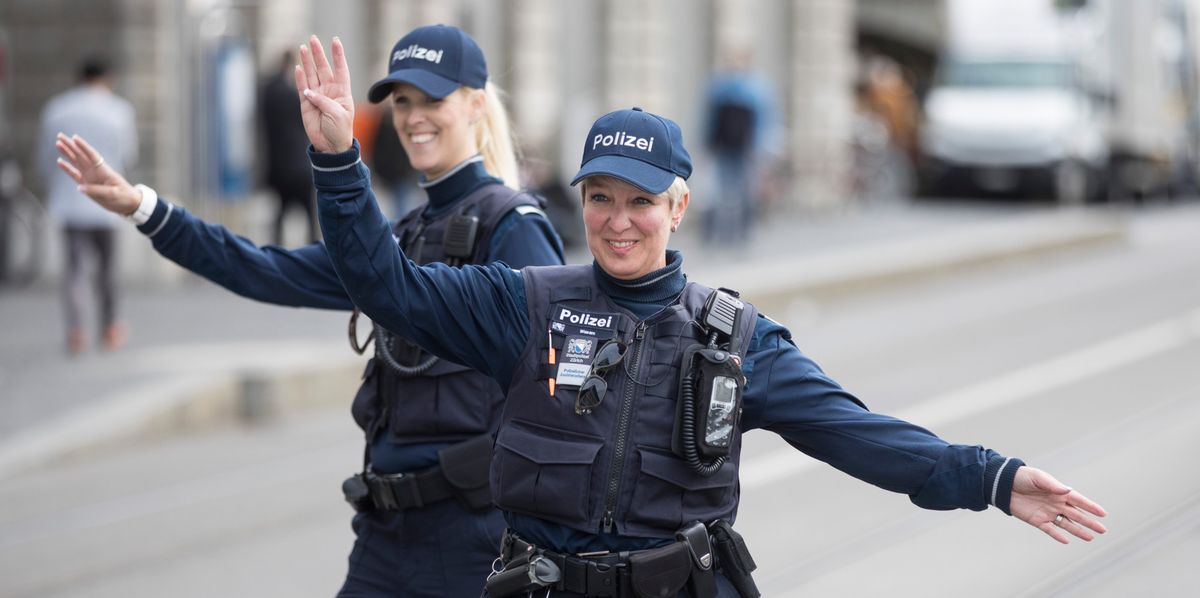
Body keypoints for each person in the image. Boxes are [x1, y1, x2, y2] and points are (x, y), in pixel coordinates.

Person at [297, 36, 1108, 597]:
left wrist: (993, 480)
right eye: (600, 199)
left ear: (680, 206)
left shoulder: (735, 338)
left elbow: (858, 434)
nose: (618, 220)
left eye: (641, 202)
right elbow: (387, 285)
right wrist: (339, 161)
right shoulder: (526, 303)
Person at [55, 25, 564, 598]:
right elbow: (266, 269)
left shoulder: (512, 226)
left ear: (475, 104)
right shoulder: (398, 235)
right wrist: (143, 206)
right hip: (386, 530)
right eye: (402, 102)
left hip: (473, 536)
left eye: (432, 100)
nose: (413, 117)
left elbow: (555, 394)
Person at [36, 57, 138, 354]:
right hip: (108, 201)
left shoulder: (56, 108)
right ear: (108, 77)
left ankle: (76, 331)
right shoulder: (119, 110)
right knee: (107, 271)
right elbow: (128, 155)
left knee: (74, 271)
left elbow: (45, 156)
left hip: (70, 198)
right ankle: (109, 326)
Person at [702, 49, 778, 246]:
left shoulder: (721, 85)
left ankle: (734, 232)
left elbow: (764, 120)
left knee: (739, 190)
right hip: (735, 148)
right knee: (726, 190)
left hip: (742, 148)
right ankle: (730, 232)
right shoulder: (754, 87)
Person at [260, 49, 318, 245]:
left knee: (281, 213)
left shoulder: (268, 90)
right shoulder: (290, 93)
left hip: (278, 165)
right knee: (309, 214)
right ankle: (314, 248)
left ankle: (276, 249)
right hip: (297, 165)